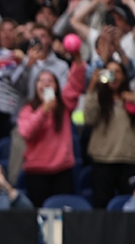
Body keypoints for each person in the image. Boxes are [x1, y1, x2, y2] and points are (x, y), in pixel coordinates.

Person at [83, 61, 135, 208]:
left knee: (130, 204)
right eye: (109, 72)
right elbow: (89, 119)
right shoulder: (99, 97)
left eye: (117, 72)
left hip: (129, 159)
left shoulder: (134, 95)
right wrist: (91, 88)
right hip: (103, 160)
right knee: (102, 205)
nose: (114, 76)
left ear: (124, 76)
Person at [16, 62, 85, 208]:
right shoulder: (28, 109)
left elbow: (76, 84)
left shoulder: (64, 105)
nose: (46, 84)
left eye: (50, 81)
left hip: (62, 171)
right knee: (40, 215)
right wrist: (43, 110)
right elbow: (26, 132)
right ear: (36, 86)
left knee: (63, 214)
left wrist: (78, 59)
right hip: (36, 172)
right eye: (41, 81)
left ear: (57, 87)